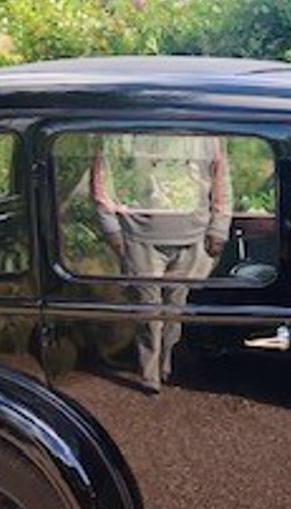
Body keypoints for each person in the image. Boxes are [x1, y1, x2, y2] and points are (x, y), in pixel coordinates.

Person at [91, 133, 231, 392]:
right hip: (139, 237)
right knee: (147, 309)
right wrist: (111, 230)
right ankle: (149, 374)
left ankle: (168, 364)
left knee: (176, 307)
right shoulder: (121, 135)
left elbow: (221, 181)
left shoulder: (208, 137)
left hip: (192, 236)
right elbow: (102, 182)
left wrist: (219, 228)